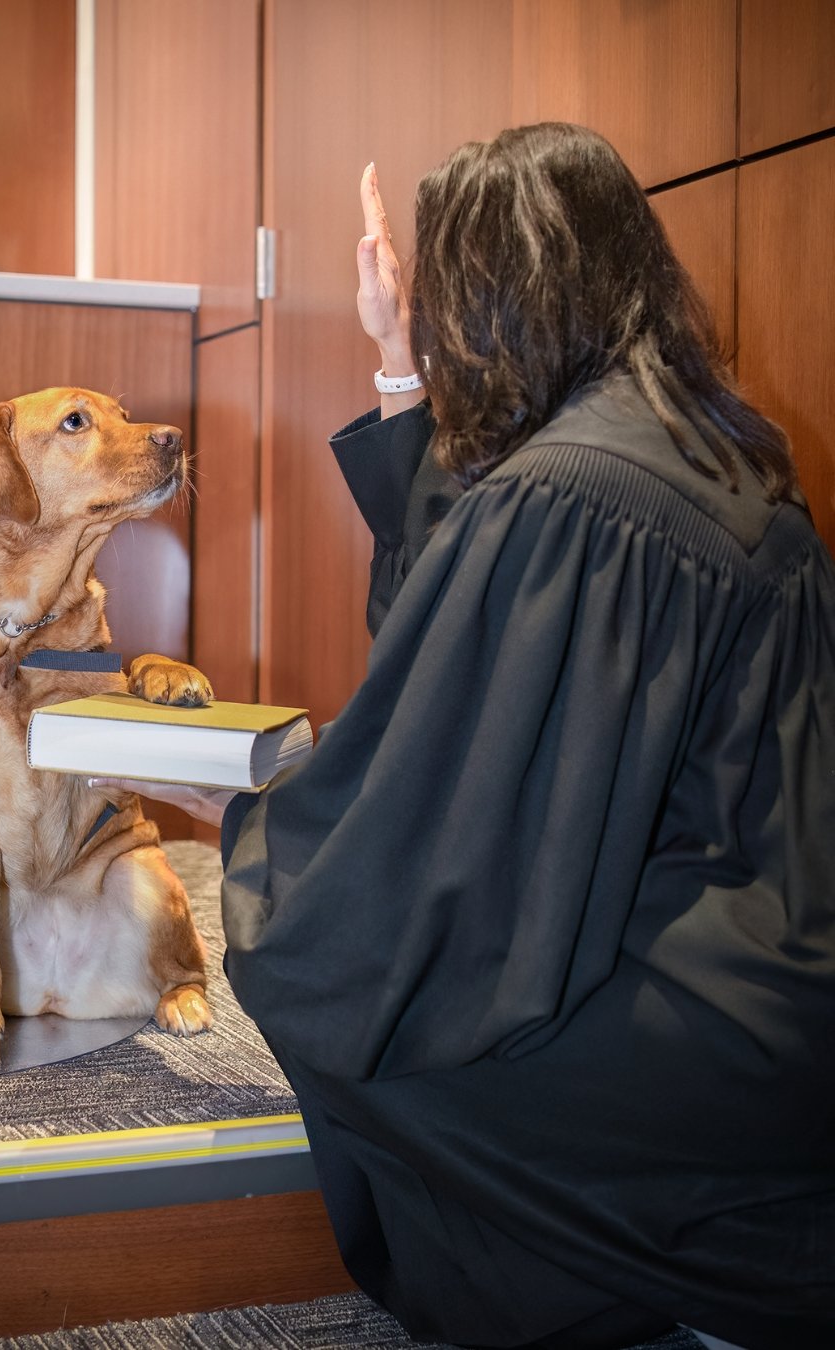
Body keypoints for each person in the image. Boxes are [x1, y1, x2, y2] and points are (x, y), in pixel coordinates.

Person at [92, 124, 835, 1349]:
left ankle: (670, 1296)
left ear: (496, 302)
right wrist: (397, 359)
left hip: (707, 1042)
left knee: (353, 984)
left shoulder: (573, 492)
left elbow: (450, 813)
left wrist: (260, 821)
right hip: (778, 979)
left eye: (446, 302)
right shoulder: (712, 443)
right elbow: (473, 654)